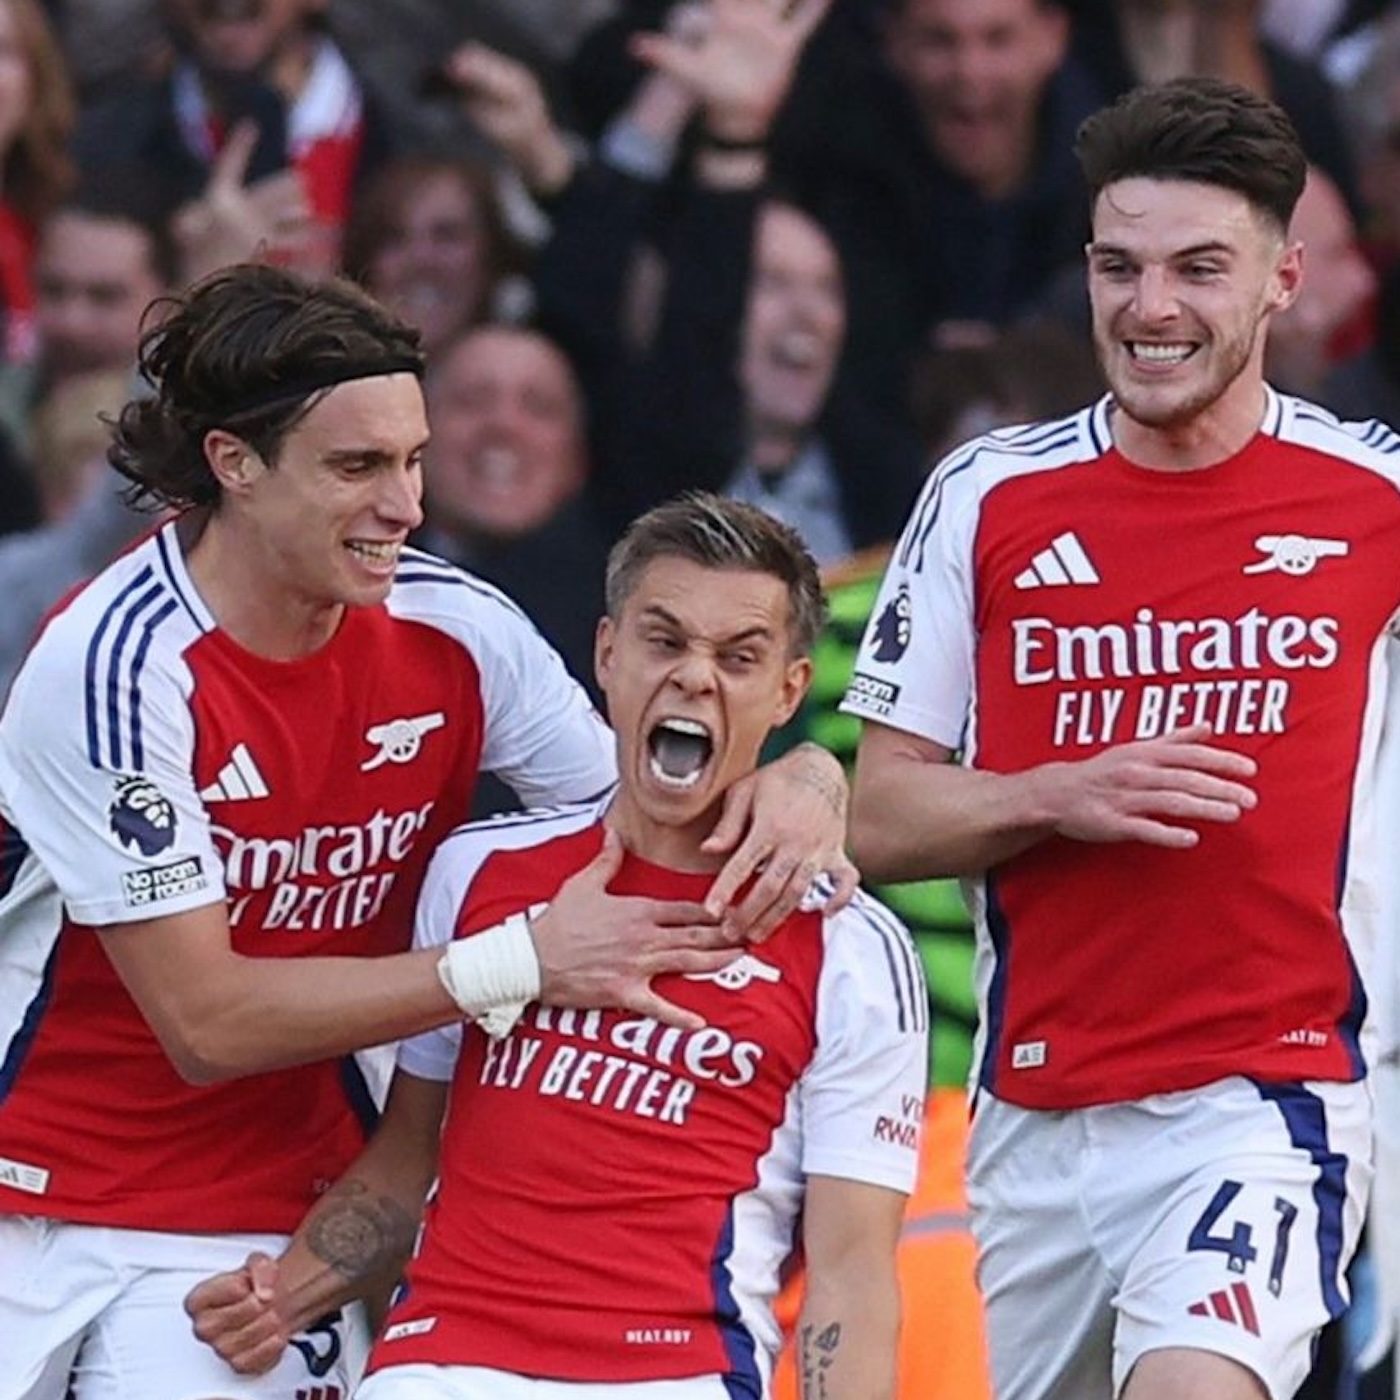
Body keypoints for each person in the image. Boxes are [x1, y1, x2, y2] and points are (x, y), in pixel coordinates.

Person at [0, 262, 856, 1400]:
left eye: (412, 459)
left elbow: (652, 806)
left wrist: (808, 776)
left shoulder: (457, 629)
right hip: (33, 1190)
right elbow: (205, 1020)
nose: (406, 505)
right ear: (235, 463)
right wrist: (519, 960)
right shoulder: (115, 663)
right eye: (357, 467)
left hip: (260, 1222)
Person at [842, 75, 1394, 1400]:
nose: (1150, 308)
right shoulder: (986, 496)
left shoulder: (1373, 496)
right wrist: (1053, 794)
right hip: (1030, 1118)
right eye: (1118, 267)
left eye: (1198, 268)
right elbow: (877, 817)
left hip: (1264, 1101)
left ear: (1282, 279)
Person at [186, 491, 928, 1400]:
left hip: (670, 1375)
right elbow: (410, 1157)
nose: (695, 678)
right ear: (607, 653)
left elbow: (852, 1275)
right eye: (665, 642)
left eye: (739, 657)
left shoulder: (851, 945)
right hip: (442, 1365)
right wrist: (282, 1297)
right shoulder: (477, 871)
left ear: (789, 690)